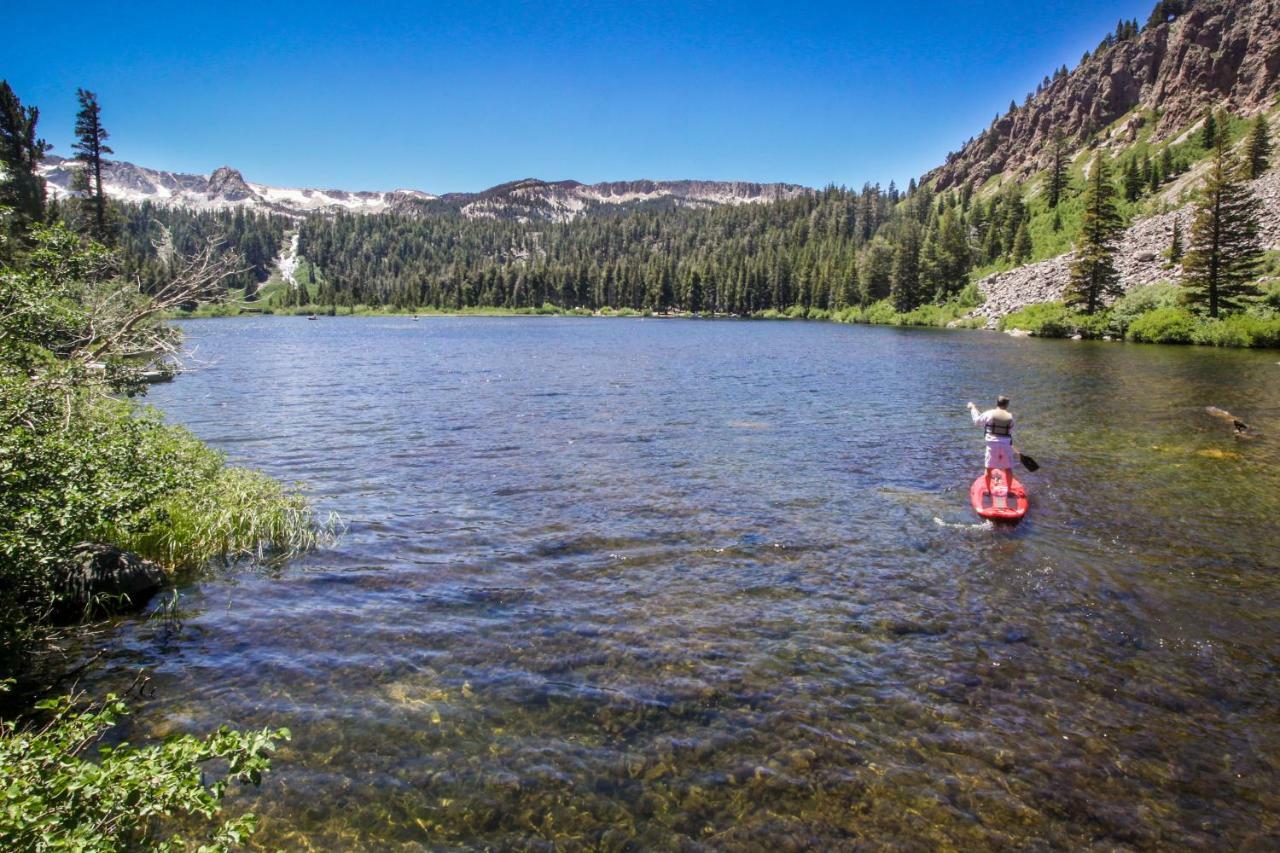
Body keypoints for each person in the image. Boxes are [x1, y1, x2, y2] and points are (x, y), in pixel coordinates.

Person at [967, 396, 1015, 497]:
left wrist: (973, 408)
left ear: (997, 403)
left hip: (992, 444)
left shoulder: (989, 413)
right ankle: (1009, 492)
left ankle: (988, 491)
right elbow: (1010, 431)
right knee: (1008, 469)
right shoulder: (1010, 417)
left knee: (989, 468)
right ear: (1007, 405)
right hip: (1006, 444)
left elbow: (976, 421)